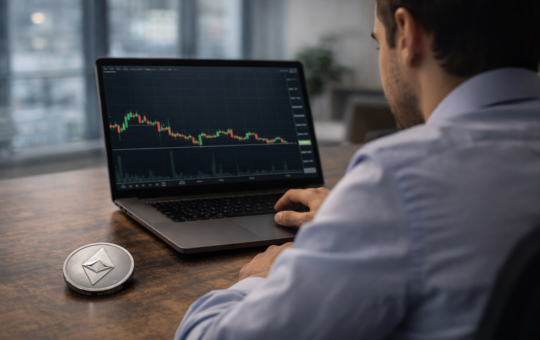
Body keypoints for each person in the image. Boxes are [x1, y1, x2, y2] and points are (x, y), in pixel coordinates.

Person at [176, 0, 540, 338]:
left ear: (407, 34)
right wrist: (354, 219)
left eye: (378, 43)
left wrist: (262, 280)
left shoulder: (398, 178)